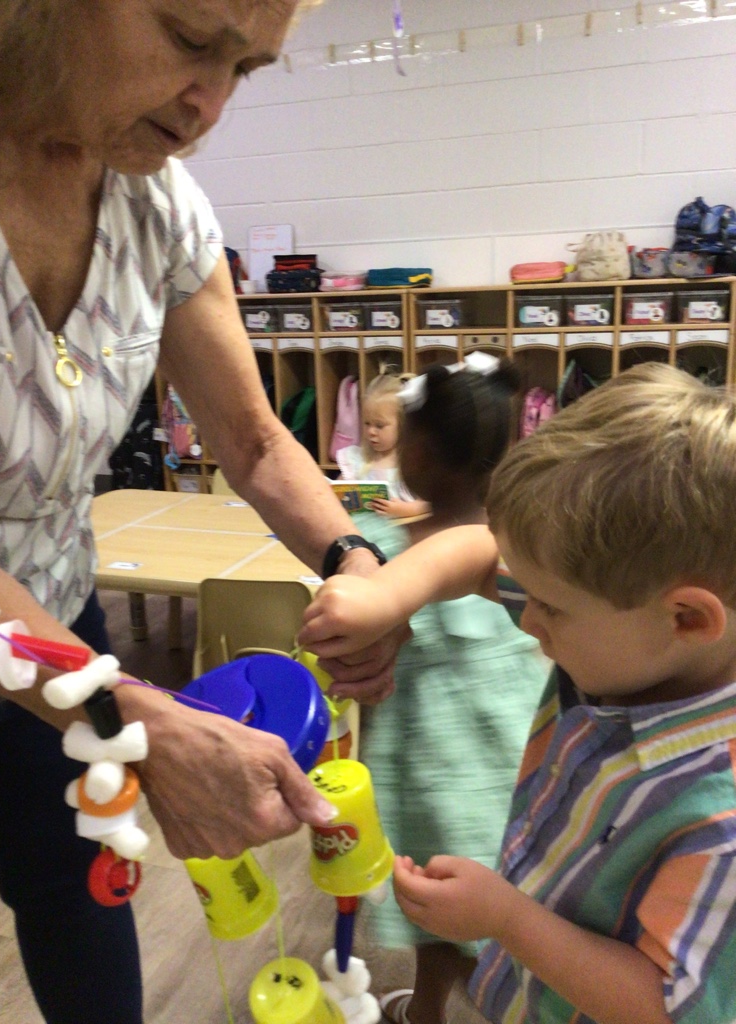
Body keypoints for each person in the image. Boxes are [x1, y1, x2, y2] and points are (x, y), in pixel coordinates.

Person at [0, 3, 402, 1023]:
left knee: (80, 886)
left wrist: (352, 558)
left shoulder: (158, 204)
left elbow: (251, 441)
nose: (209, 103)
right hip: (51, 650)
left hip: (52, 609)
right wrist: (139, 716)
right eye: (189, 37)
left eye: (244, 68)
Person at [305, 363, 736, 1024]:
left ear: (687, 619)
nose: (523, 618)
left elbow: (665, 1004)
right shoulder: (631, 628)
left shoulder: (720, 814)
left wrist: (505, 918)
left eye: (549, 609)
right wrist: (386, 593)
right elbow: (480, 552)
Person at [311, 354, 551, 1024]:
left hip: (427, 769)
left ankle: (450, 1004)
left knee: (438, 904)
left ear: (416, 449)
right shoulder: (522, 549)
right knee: (483, 899)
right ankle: (431, 1007)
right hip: (505, 765)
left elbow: (342, 639)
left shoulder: (383, 547)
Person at [336, 372, 429, 520]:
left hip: (402, 534)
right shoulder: (356, 459)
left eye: (379, 425)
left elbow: (429, 503)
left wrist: (405, 509)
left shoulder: (411, 464)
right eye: (367, 423)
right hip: (363, 534)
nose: (371, 431)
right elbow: (339, 493)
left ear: (404, 425)